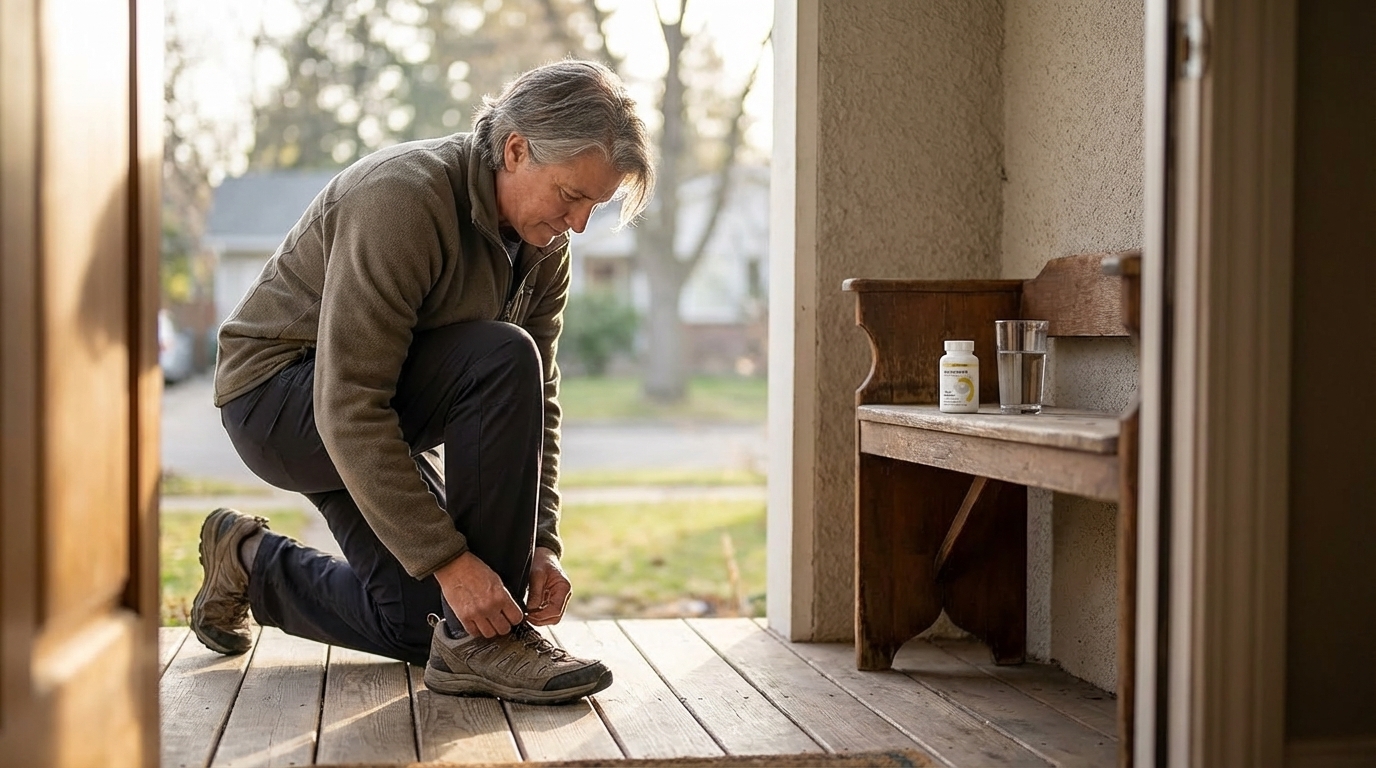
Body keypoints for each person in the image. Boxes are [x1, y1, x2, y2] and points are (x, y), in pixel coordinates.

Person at [191, 60, 654, 705]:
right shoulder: (401, 200)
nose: (578, 223)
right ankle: (483, 645)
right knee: (501, 355)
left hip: (373, 407)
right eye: (571, 196)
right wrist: (452, 565)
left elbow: (537, 399)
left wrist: (540, 545)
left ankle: (248, 562)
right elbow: (349, 403)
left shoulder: (542, 243)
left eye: (593, 207)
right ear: (516, 150)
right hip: (278, 398)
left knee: (420, 625)